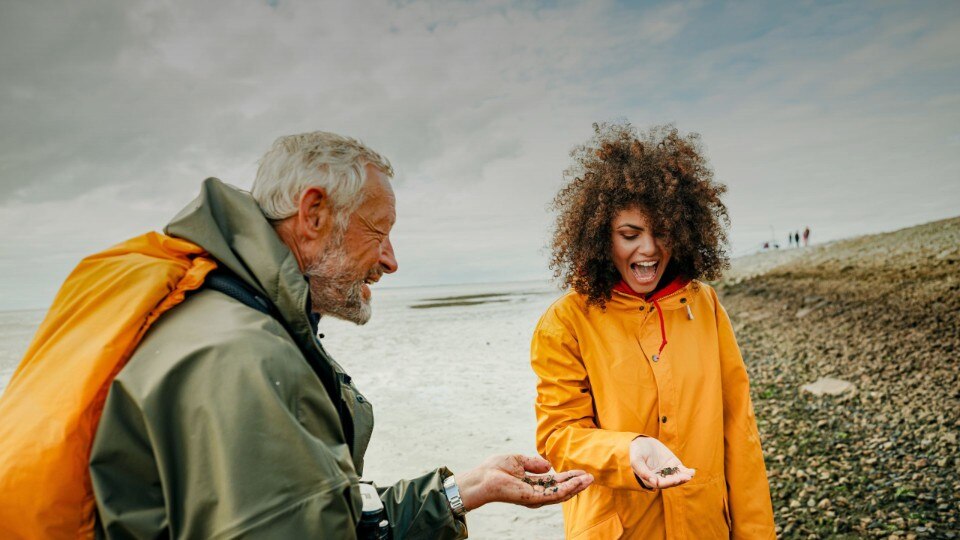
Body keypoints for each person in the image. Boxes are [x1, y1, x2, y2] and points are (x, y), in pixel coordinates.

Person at [80, 132, 599, 539]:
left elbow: (326, 514)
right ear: (313, 214)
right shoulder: (246, 358)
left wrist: (464, 489)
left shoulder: (234, 320)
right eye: (379, 232)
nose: (391, 260)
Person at [531, 123, 776, 539]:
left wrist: (756, 534)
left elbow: (739, 430)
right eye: (630, 235)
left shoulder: (705, 305)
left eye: (661, 232)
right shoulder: (566, 321)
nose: (648, 248)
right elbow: (558, 437)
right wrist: (627, 451)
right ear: (600, 237)